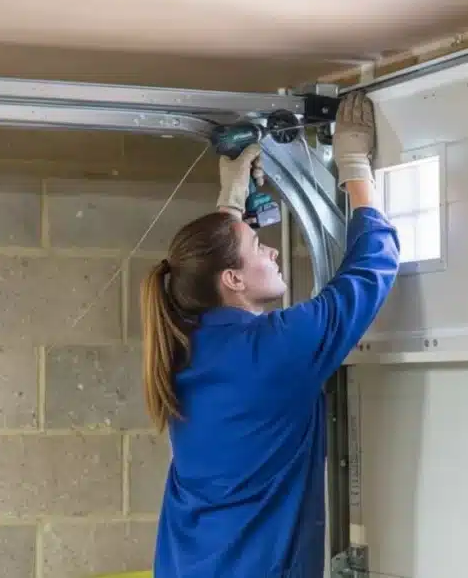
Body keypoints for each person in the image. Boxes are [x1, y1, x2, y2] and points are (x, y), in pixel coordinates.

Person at [140, 91, 400, 578]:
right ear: (233, 280)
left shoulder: (182, 344)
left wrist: (232, 200)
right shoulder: (275, 349)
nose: (274, 254)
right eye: (261, 247)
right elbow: (370, 273)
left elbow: (211, 267)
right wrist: (354, 168)